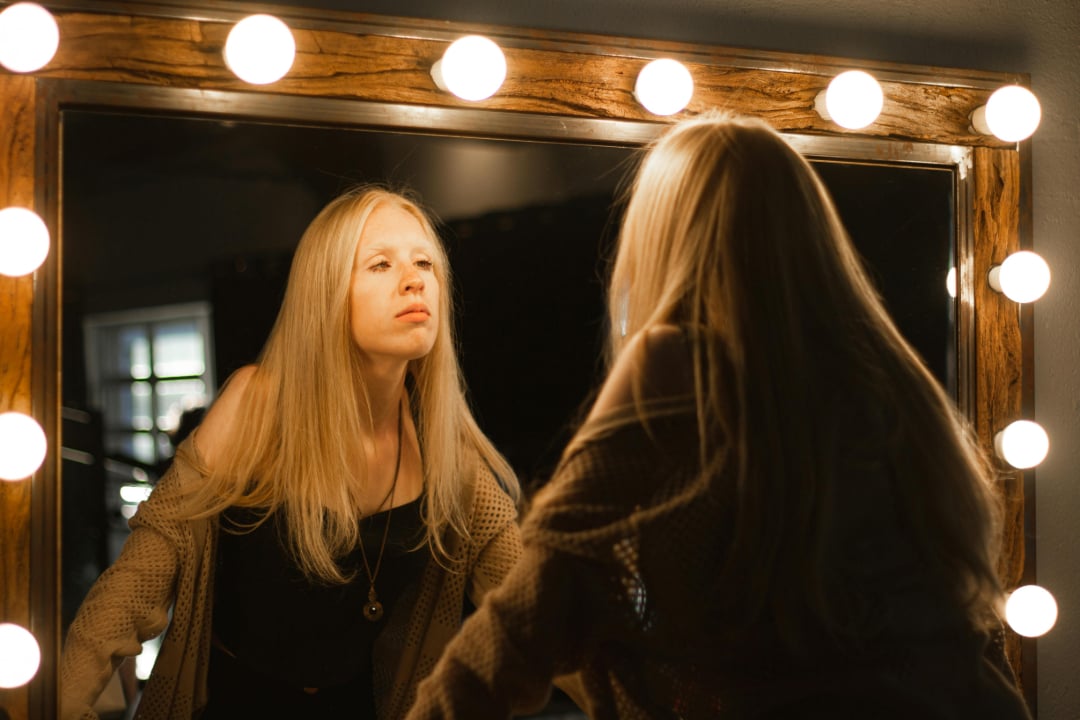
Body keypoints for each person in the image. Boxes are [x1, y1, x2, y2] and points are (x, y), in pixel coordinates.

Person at [403, 113, 1033, 720]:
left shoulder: (675, 362)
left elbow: (507, 642)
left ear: (665, 241)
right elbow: (978, 652)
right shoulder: (894, 390)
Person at [60, 187, 523, 719]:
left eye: (425, 262)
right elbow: (132, 589)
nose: (414, 279)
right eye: (380, 264)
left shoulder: (441, 443)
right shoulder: (256, 407)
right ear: (326, 293)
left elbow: (531, 601)